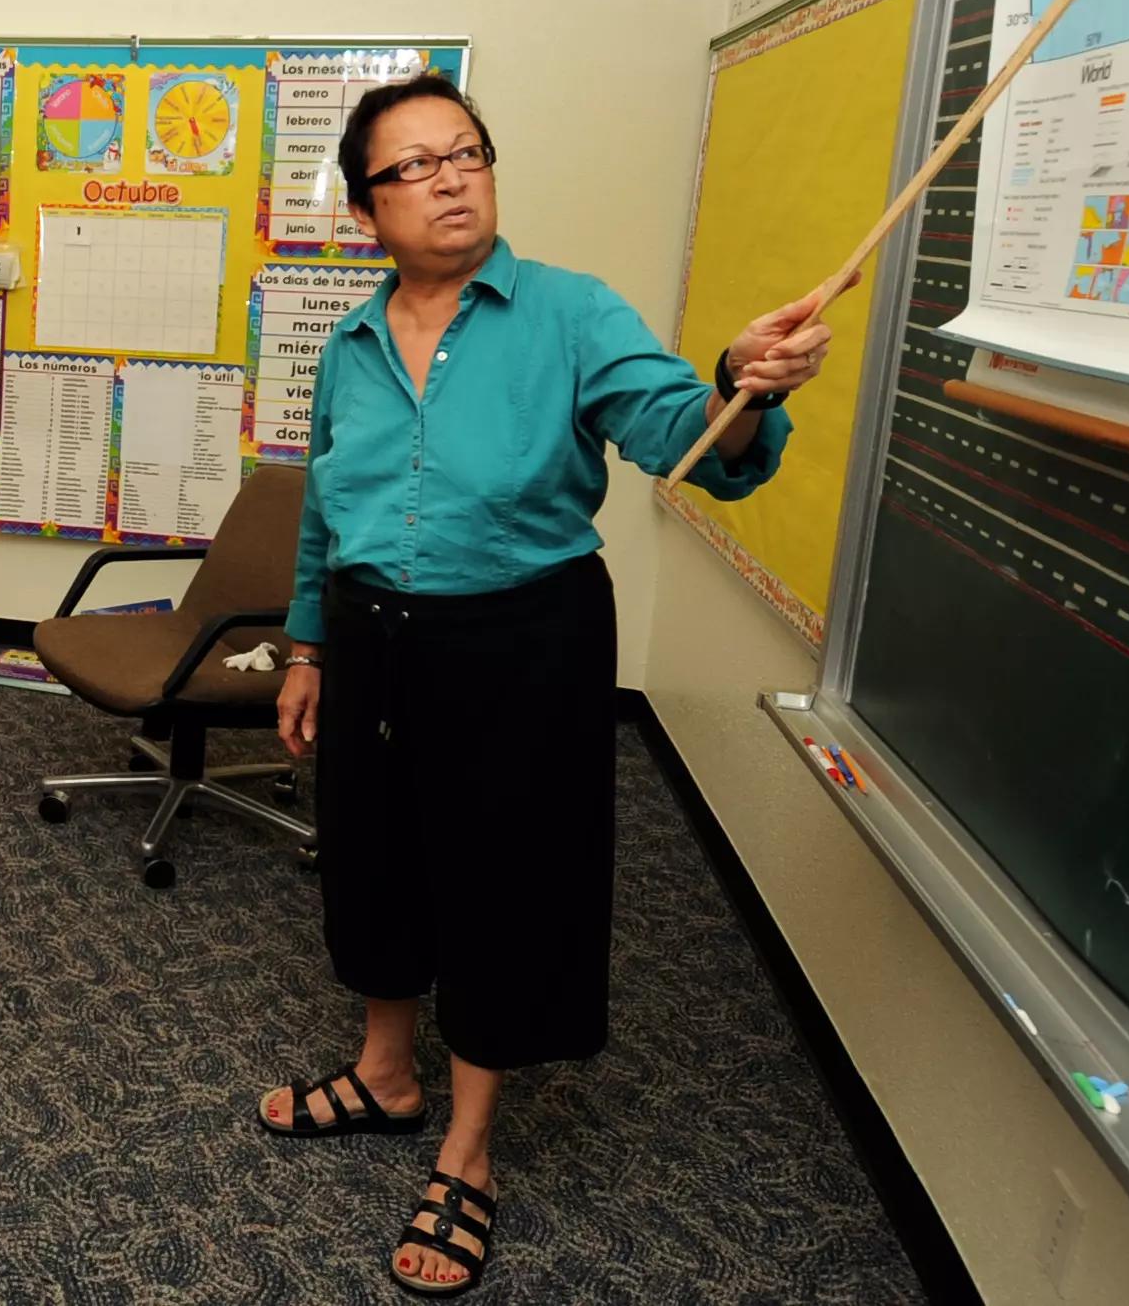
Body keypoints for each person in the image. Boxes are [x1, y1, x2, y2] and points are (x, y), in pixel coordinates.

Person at [256, 74, 830, 1297]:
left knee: (502, 883)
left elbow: (686, 439)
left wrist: (746, 380)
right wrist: (307, 648)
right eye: (414, 166)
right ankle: (386, 1072)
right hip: (371, 633)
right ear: (366, 210)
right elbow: (325, 510)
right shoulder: (348, 344)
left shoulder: (571, 312)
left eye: (466, 152)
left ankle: (468, 1149)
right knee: (374, 856)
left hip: (524, 639)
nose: (450, 179)